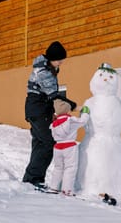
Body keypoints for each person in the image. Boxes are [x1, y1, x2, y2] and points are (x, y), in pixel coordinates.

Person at [22, 41, 76, 189]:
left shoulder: (47, 68)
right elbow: (54, 96)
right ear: (52, 58)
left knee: (40, 143)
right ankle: (34, 179)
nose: (61, 63)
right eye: (59, 60)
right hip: (37, 108)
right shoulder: (44, 72)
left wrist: (51, 112)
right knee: (48, 143)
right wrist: (73, 106)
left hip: (38, 109)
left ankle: (31, 180)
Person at [49, 99, 90, 196]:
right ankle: (67, 190)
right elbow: (82, 121)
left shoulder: (54, 123)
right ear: (67, 110)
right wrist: (85, 112)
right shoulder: (70, 120)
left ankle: (53, 187)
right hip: (69, 146)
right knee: (70, 168)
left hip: (57, 147)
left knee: (58, 168)